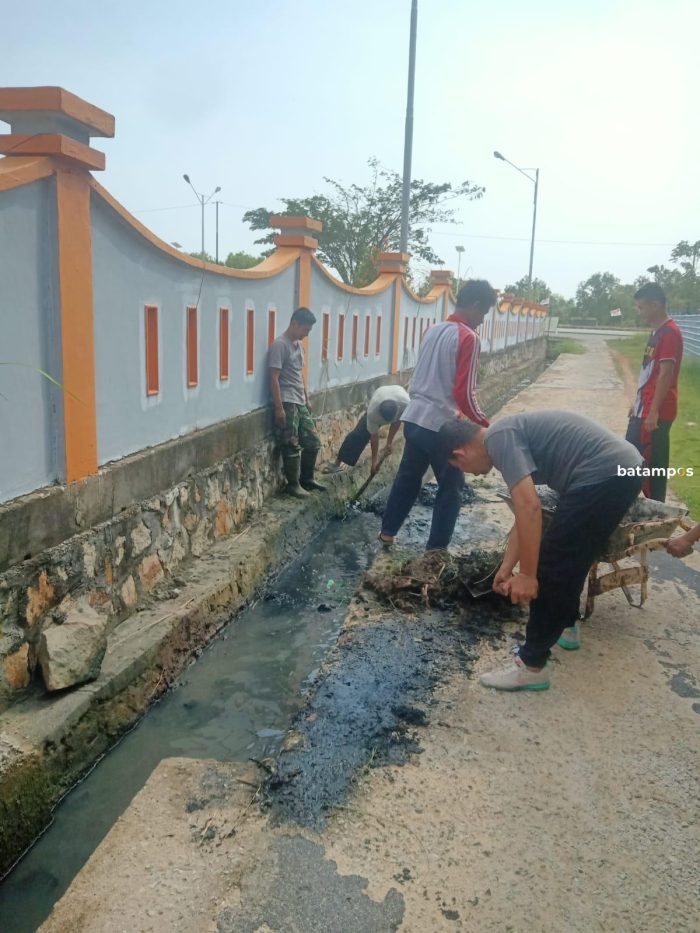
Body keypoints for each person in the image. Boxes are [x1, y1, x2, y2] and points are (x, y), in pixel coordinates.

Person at [439, 411, 644, 692]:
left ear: (459, 454)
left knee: (551, 562)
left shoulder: (499, 439)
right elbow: (524, 516)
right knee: (572, 552)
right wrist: (506, 566)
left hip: (606, 473)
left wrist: (527, 575)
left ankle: (531, 665)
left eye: (462, 468)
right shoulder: (503, 437)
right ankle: (566, 626)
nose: (470, 474)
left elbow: (530, 509)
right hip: (618, 469)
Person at [379, 279, 497, 551]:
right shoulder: (469, 337)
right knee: (451, 490)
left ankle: (387, 533)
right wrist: (485, 425)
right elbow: (464, 393)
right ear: (475, 305)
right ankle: (436, 553)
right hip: (441, 427)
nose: (481, 321)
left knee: (407, 480)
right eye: (483, 314)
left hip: (414, 418)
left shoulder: (433, 330)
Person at [625, 283, 683, 502]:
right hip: (644, 407)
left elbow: (665, 374)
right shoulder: (656, 332)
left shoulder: (669, 333)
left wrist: (654, 411)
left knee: (653, 464)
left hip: (656, 412)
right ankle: (630, 503)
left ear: (656, 305)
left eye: (642, 308)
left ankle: (656, 511)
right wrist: (637, 403)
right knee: (629, 458)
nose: (640, 313)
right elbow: (649, 372)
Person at [269, 307, 326, 498]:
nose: (306, 334)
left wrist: (307, 398)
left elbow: (300, 373)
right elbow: (274, 377)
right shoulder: (280, 345)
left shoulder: (298, 346)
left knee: (312, 442)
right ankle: (293, 485)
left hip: (300, 400)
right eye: (305, 330)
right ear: (294, 324)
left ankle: (306, 479)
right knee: (291, 443)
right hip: (287, 401)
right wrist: (279, 408)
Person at [324, 384, 410, 476]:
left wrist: (389, 443)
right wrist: (374, 463)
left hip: (398, 395)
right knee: (357, 434)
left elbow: (397, 422)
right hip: (381, 396)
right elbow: (374, 438)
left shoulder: (406, 404)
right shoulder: (373, 412)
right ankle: (337, 464)